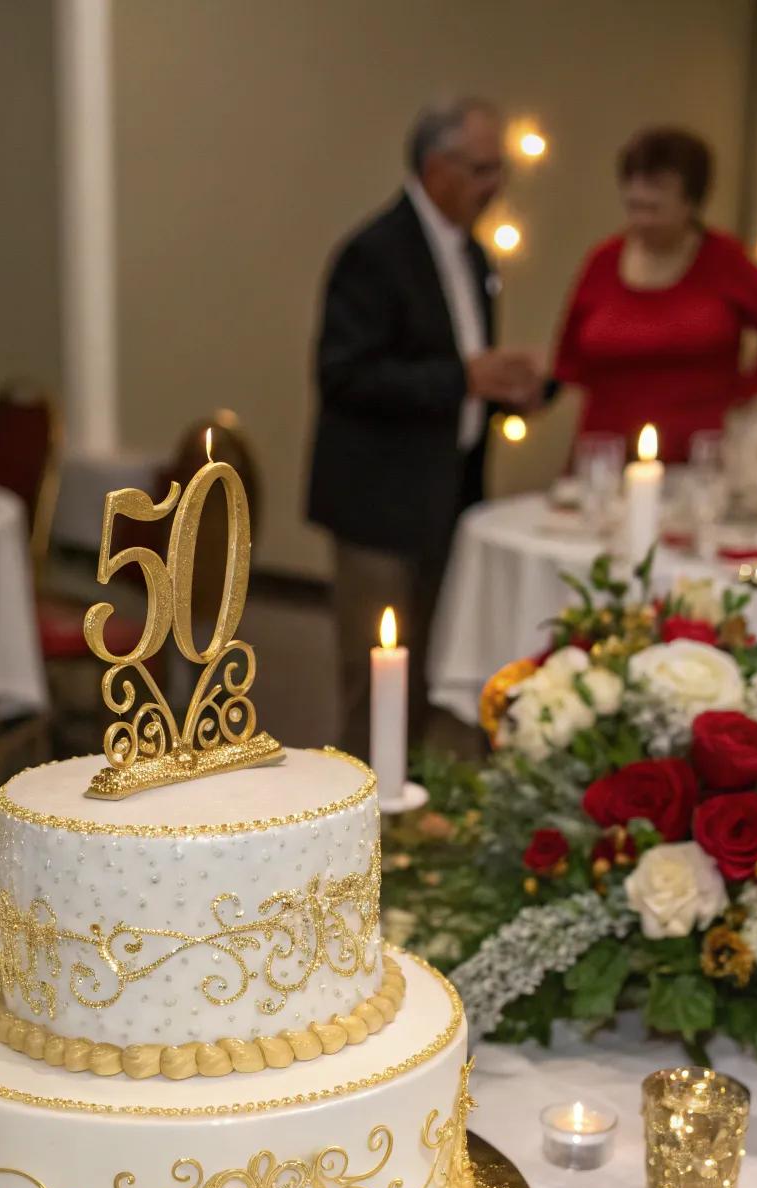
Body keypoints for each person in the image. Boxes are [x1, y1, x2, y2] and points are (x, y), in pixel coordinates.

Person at [307, 98, 547, 759]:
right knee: (376, 680)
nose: (495, 186)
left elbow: (452, 371)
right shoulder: (375, 253)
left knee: (431, 677)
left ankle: (412, 813)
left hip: (449, 495)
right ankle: (356, 830)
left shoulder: (475, 256)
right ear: (437, 168)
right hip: (378, 504)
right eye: (483, 170)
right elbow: (345, 376)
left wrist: (508, 392)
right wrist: (467, 380)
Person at [554, 126, 757, 462]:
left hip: (697, 456)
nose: (642, 219)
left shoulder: (724, 259)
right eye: (634, 206)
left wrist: (743, 392)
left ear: (690, 202)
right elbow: (568, 357)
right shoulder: (603, 260)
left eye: (654, 206)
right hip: (606, 453)